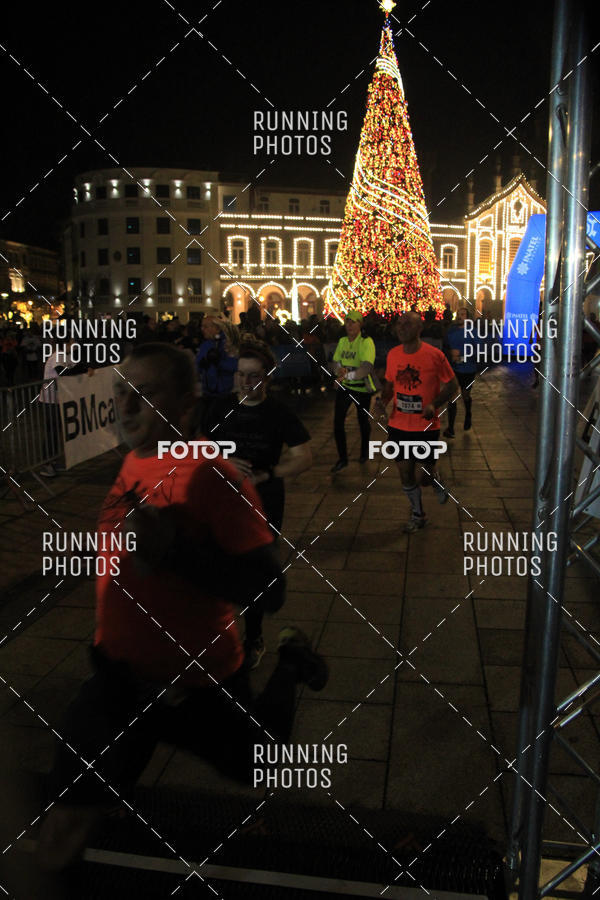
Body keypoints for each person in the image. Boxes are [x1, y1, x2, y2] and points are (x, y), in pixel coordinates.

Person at [37, 342, 327, 873]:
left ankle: (289, 663)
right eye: (121, 393)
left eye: (145, 395)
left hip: (199, 688)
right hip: (119, 682)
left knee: (262, 766)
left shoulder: (213, 477)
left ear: (186, 405)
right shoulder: (134, 459)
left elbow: (270, 590)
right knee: (64, 826)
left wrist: (173, 553)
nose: (125, 407)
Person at [205, 339, 312, 669]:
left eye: (253, 376)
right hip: (220, 504)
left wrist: (267, 475)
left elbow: (304, 456)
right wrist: (222, 461)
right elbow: (195, 449)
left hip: (263, 505)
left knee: (254, 576)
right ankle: (215, 637)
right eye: (240, 375)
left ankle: (253, 638)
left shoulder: (279, 413)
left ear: (268, 377)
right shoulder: (218, 407)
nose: (245, 382)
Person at [376, 311, 459, 533]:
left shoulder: (434, 355)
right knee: (405, 471)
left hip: (426, 426)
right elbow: (390, 385)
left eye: (407, 324)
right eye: (399, 324)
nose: (401, 328)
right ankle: (418, 514)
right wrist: (381, 401)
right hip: (398, 425)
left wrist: (434, 404)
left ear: (419, 329)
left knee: (425, 477)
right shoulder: (393, 354)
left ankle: (436, 478)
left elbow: (452, 386)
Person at [331, 310, 377, 472]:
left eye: (353, 322)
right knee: (337, 423)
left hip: (362, 389)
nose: (349, 325)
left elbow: (365, 368)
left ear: (360, 324)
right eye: (347, 321)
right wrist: (339, 370)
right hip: (346, 388)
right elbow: (335, 361)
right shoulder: (343, 340)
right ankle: (342, 458)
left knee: (362, 420)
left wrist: (346, 376)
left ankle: (364, 451)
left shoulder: (366, 342)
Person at [444, 307, 478, 436]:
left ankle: (468, 414)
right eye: (458, 314)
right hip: (453, 369)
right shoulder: (450, 332)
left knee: (465, 395)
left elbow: (479, 351)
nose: (459, 316)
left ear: (467, 317)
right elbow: (445, 347)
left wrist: (462, 356)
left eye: (462, 314)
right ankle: (450, 428)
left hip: (468, 369)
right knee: (452, 397)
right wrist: (449, 354)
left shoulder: (473, 332)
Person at [195, 315, 238, 398]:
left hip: (225, 393)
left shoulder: (228, 345)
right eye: (202, 326)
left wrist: (219, 363)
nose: (202, 329)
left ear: (217, 328)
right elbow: (198, 367)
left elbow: (236, 366)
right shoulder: (205, 345)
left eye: (206, 326)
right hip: (207, 392)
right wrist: (202, 364)